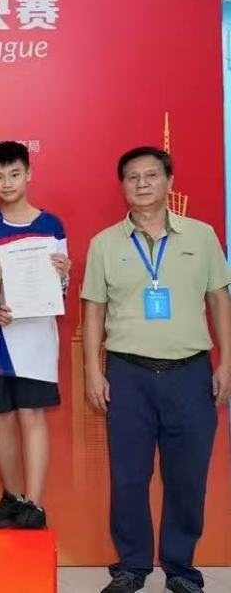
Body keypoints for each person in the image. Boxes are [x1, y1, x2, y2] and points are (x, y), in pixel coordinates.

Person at [82, 147, 231, 593]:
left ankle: (181, 570)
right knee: (129, 476)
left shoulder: (202, 236)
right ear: (122, 186)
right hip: (128, 374)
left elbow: (219, 299)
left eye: (151, 175)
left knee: (187, 477)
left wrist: (226, 361)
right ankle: (131, 567)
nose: (142, 183)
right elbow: (93, 310)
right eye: (132, 177)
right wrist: (93, 370)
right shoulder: (105, 243)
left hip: (190, 373)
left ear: (169, 181)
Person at [0, 142, 70, 530]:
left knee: (32, 418)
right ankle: (12, 497)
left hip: (36, 341)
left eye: (14, 174)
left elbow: (60, 292)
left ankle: (34, 502)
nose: (7, 183)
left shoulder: (51, 225)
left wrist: (63, 275)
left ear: (28, 173)